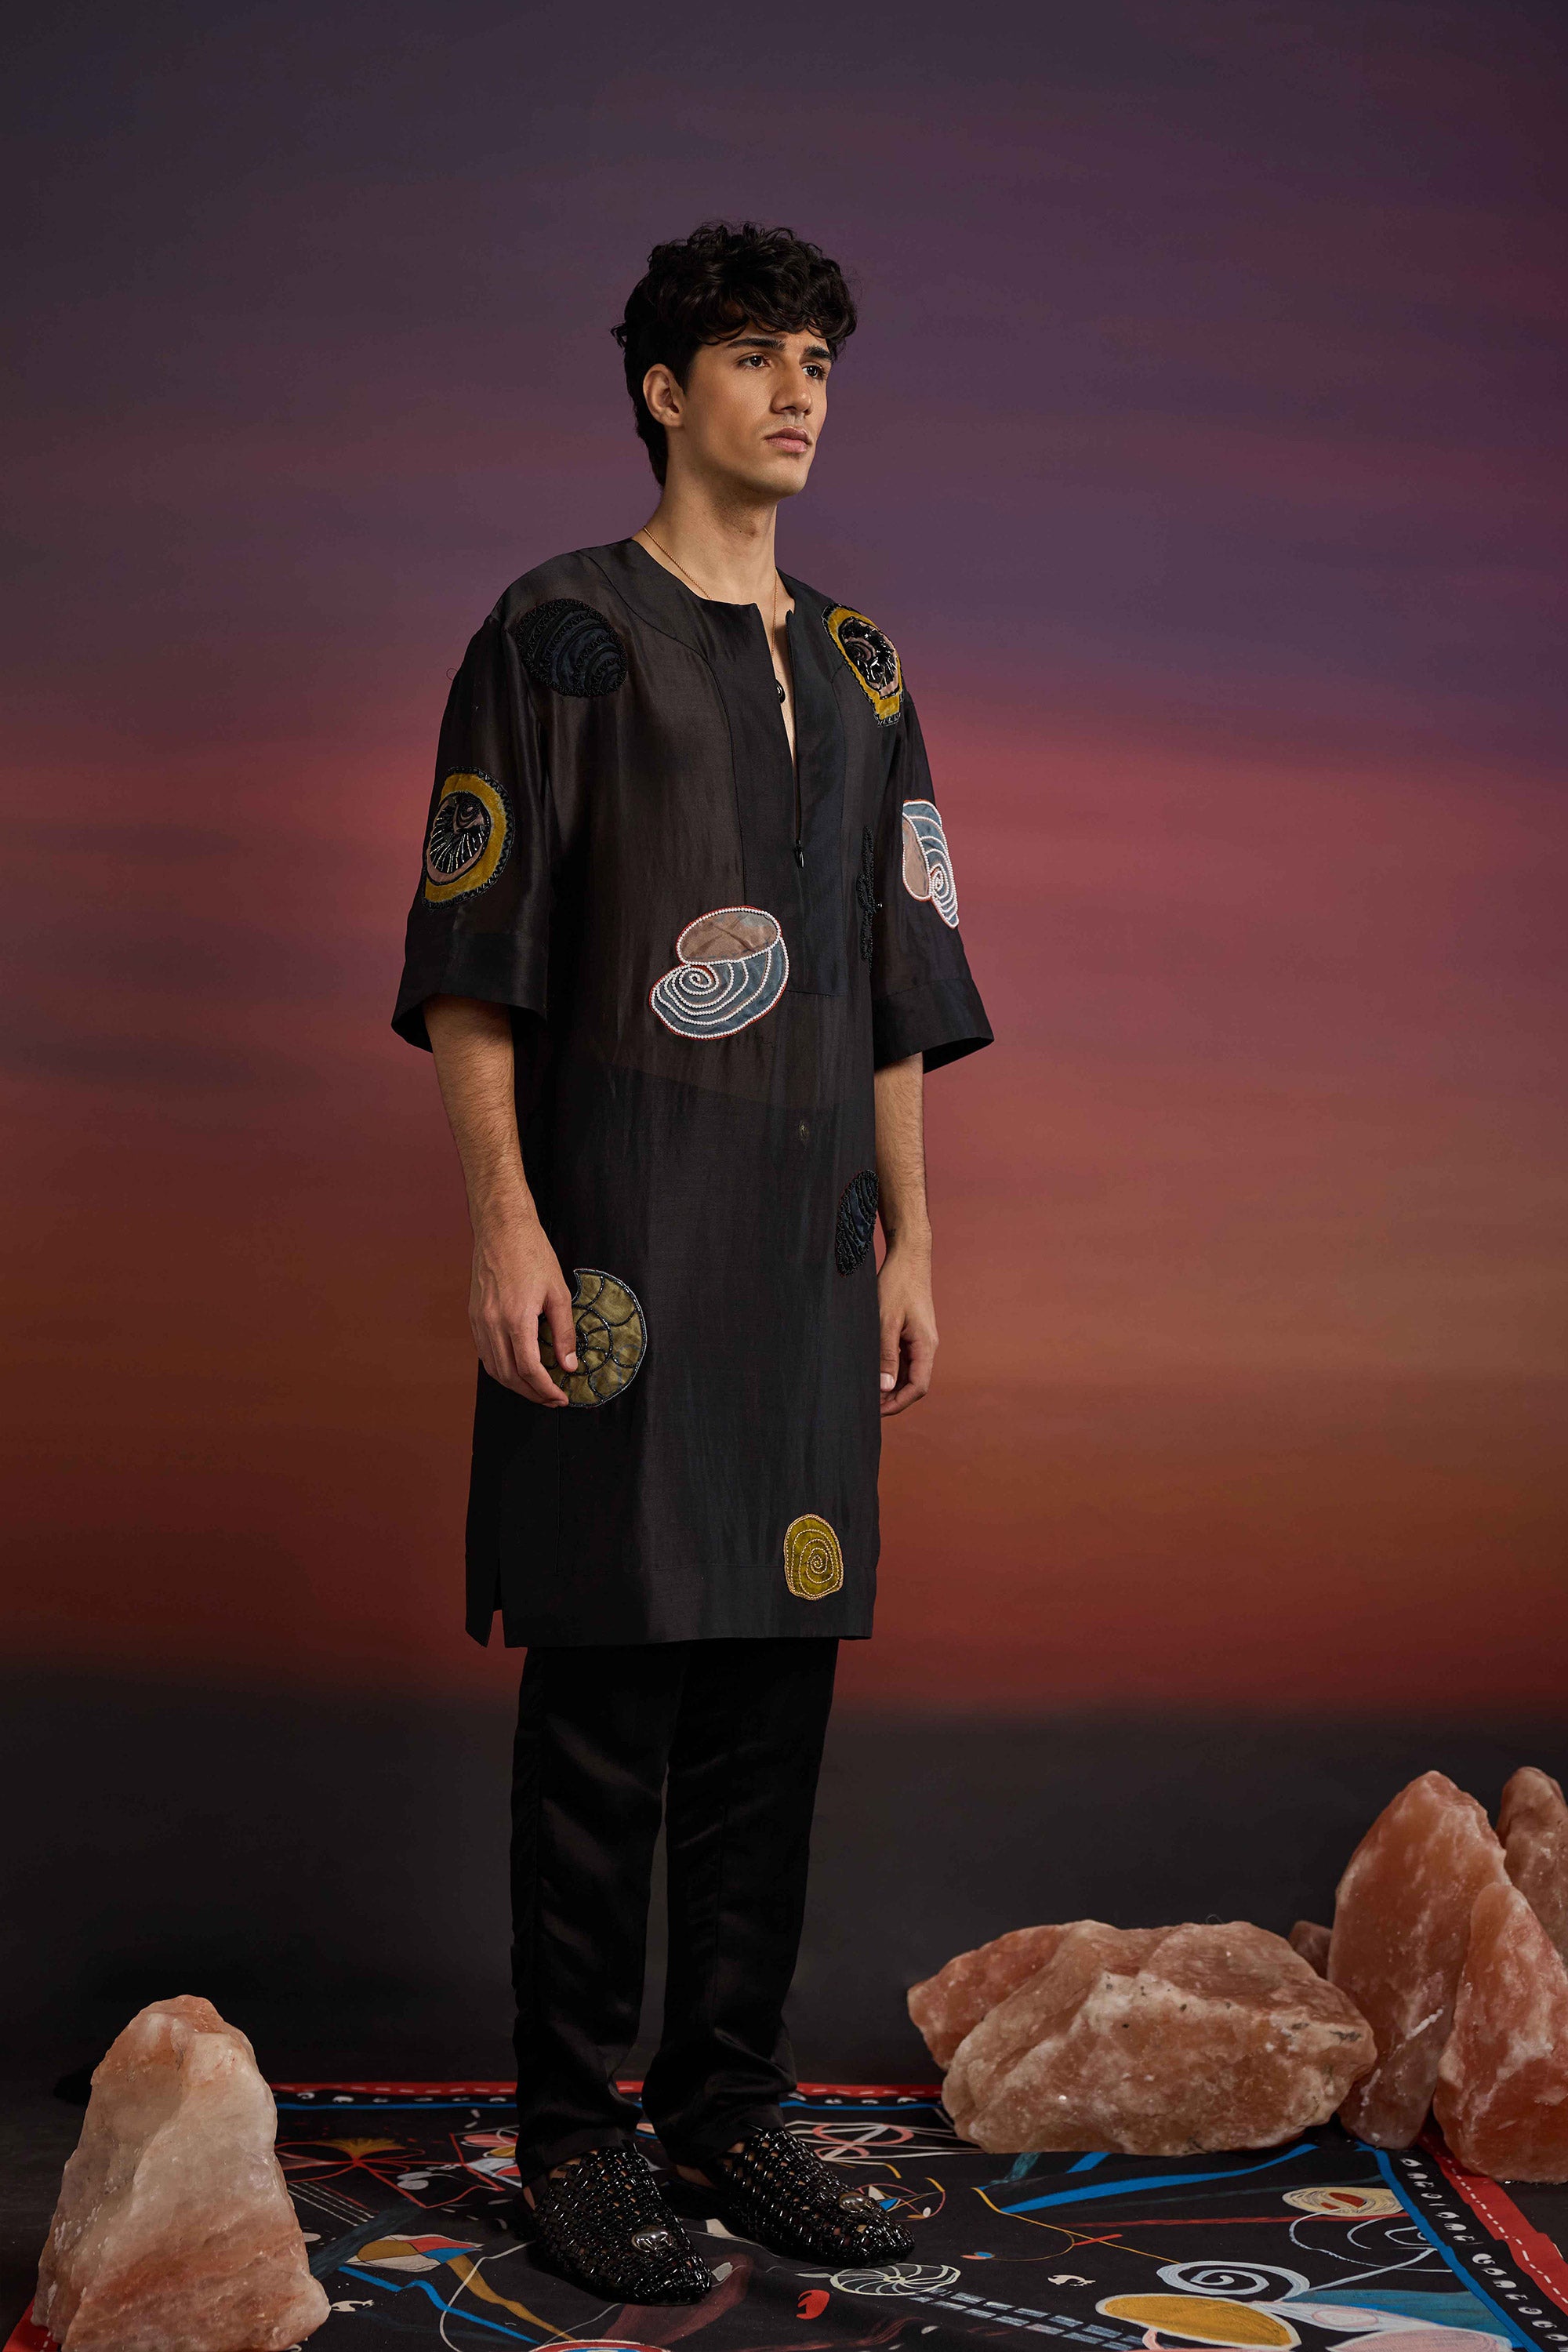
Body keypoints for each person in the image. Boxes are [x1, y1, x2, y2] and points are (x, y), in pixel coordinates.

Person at [392, 220, 992, 2302]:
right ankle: (579, 2136)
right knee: (609, 1690)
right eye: (756, 354)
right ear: (665, 391)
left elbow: (900, 979)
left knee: (772, 1695)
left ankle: (728, 2106)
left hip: (813, 1247)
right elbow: (475, 957)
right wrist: (506, 1221)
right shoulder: (556, 633)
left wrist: (914, 1239)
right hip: (623, 1229)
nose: (801, 388)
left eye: (820, 355)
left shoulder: (867, 667)